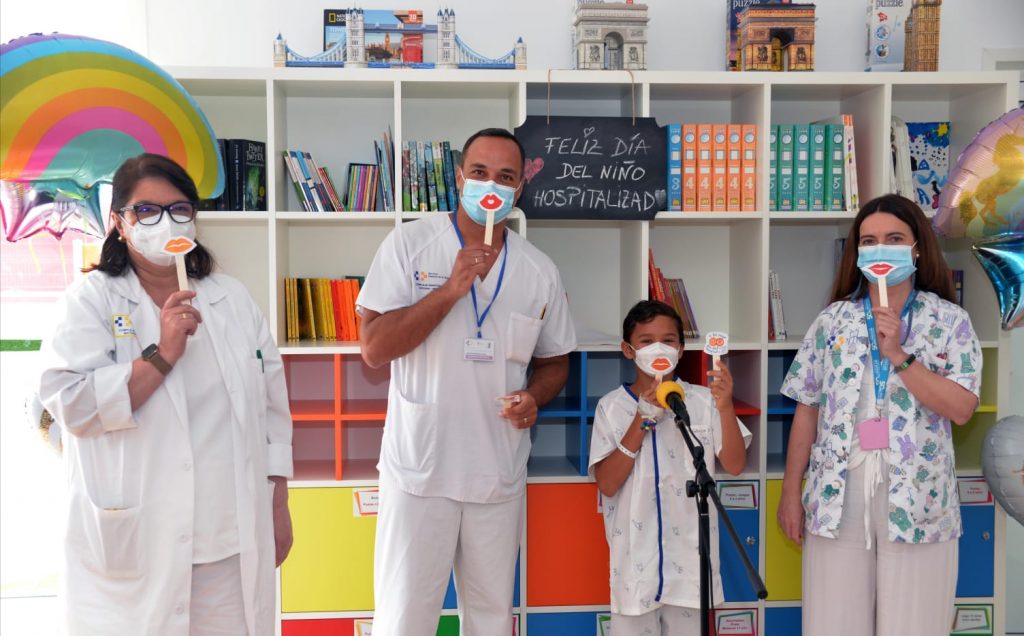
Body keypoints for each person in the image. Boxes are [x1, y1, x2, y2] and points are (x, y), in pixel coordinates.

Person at [38, 154, 293, 635]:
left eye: (179, 209)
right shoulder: (89, 300)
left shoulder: (230, 297)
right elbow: (71, 407)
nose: (165, 222)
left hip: (230, 540)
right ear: (119, 224)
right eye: (146, 212)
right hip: (138, 543)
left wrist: (277, 508)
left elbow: (271, 412)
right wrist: (163, 352)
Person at [357, 127, 576, 635]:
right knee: (404, 618)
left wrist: (534, 397)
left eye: (505, 176)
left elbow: (555, 362)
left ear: (520, 189)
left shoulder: (538, 270)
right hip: (420, 474)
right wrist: (449, 292)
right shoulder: (411, 244)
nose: (490, 185)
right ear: (459, 178)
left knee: (491, 620)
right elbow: (374, 348)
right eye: (479, 172)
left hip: (495, 472)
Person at [776, 194, 982, 636]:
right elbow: (806, 410)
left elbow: (963, 409)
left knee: (915, 624)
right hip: (838, 495)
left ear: (917, 248)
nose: (879, 248)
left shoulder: (950, 321)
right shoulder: (832, 321)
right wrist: (792, 491)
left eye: (893, 238)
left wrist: (899, 356)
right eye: (868, 240)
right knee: (833, 623)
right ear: (856, 253)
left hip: (918, 496)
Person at [589, 300, 750, 635]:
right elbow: (606, 483)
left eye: (668, 340)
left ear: (681, 348)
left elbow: (734, 464)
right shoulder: (612, 407)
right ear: (628, 350)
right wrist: (641, 420)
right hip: (635, 566)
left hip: (689, 564)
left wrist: (725, 407)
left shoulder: (704, 401)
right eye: (646, 341)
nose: (658, 348)